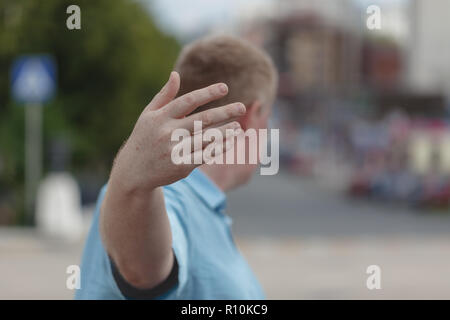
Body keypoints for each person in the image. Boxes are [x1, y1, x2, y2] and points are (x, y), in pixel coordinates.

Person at [75, 35, 278, 299]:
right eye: (268, 119)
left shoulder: (201, 204)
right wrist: (133, 183)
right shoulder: (163, 194)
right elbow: (142, 272)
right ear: (254, 115)